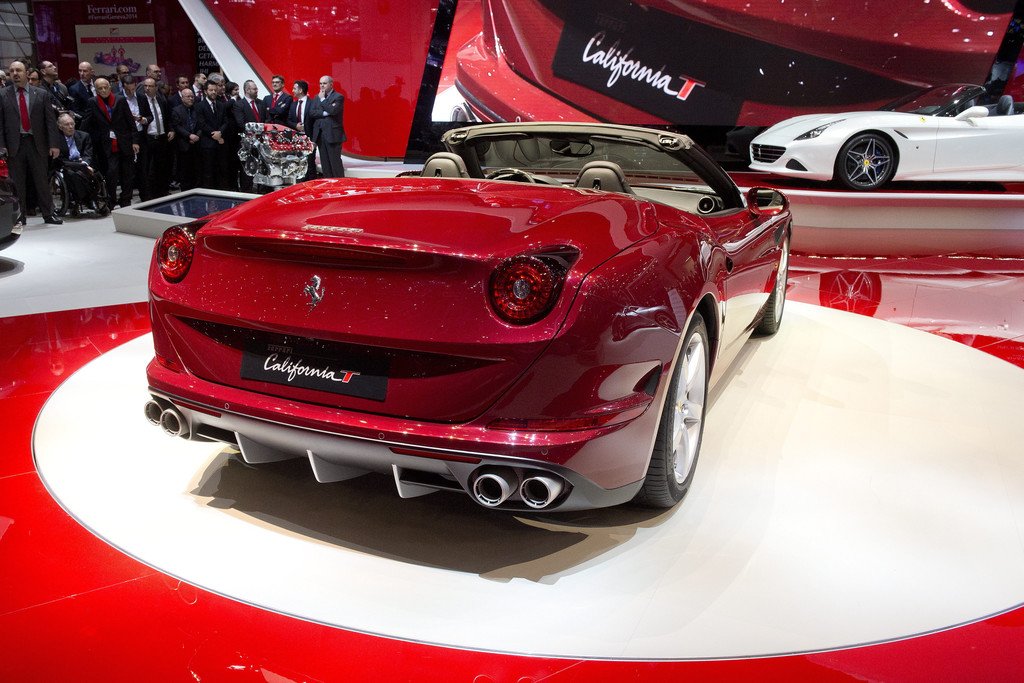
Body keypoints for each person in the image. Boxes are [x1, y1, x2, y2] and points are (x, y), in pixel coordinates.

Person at [0, 60, 62, 224]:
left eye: (18, 70)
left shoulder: (41, 94)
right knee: (17, 183)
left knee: (41, 181)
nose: (15, 73)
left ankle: (49, 214)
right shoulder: (3, 94)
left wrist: (54, 144)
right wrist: (2, 146)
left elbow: (50, 121)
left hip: (37, 143)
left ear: (26, 73)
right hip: (14, 145)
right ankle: (19, 216)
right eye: (12, 71)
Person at [81, 77, 138, 208]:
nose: (103, 90)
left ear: (110, 87)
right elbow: (86, 122)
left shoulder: (120, 100)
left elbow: (130, 122)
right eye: (100, 88)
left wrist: (135, 141)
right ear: (96, 90)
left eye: (105, 87)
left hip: (124, 141)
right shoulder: (93, 102)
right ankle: (111, 200)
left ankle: (126, 200)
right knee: (111, 173)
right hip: (106, 144)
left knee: (127, 174)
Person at [55, 113, 105, 214]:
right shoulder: (56, 139)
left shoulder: (84, 136)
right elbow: (59, 158)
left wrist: (85, 163)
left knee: (91, 173)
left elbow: (88, 153)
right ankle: (87, 199)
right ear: (60, 127)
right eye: (67, 124)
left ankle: (91, 198)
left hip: (82, 164)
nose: (70, 127)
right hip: (67, 165)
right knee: (73, 175)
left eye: (72, 124)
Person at [120, 75, 152, 200]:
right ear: (123, 87)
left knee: (143, 169)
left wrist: (142, 119)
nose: (131, 92)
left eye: (133, 89)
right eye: (128, 90)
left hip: (141, 136)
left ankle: (145, 197)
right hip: (125, 138)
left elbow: (150, 116)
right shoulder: (118, 98)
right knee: (127, 171)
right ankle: (126, 199)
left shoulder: (142, 97)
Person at [196, 81, 229, 189]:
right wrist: (214, 134)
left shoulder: (221, 105)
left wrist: (220, 133)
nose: (214, 92)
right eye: (211, 90)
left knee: (222, 171)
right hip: (207, 144)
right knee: (208, 172)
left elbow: (226, 121)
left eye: (215, 90)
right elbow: (202, 124)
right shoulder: (200, 106)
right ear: (206, 91)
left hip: (220, 143)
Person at [142, 77, 172, 199]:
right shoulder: (142, 101)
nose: (147, 88)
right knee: (149, 168)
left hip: (161, 137)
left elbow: (167, 117)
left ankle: (162, 191)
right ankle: (150, 194)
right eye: (145, 86)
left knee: (162, 166)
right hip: (148, 138)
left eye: (150, 86)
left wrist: (171, 129)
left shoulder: (161, 99)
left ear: (156, 87)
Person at [310, 75, 345, 178]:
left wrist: (323, 100)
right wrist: (324, 113)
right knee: (325, 164)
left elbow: (333, 110)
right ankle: (328, 184)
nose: (322, 86)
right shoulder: (317, 97)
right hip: (320, 134)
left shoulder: (338, 97)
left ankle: (340, 184)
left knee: (335, 163)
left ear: (331, 84)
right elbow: (312, 112)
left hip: (332, 134)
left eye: (324, 83)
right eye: (320, 83)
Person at [234, 80, 266, 192]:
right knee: (248, 170)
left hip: (263, 143)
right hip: (247, 144)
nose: (257, 91)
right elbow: (241, 123)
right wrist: (256, 133)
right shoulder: (239, 104)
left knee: (263, 169)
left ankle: (262, 192)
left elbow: (266, 120)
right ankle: (246, 193)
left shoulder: (261, 103)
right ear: (247, 90)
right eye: (254, 89)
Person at [170, 87, 200, 190]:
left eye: (192, 96)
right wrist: (189, 136)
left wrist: (197, 136)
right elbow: (177, 126)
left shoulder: (197, 109)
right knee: (185, 172)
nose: (191, 98)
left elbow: (201, 124)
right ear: (182, 98)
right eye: (188, 97)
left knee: (197, 171)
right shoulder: (176, 110)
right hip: (184, 145)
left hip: (197, 144)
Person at [287, 79, 315, 181]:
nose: (292, 91)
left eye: (294, 88)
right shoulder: (293, 104)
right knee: (298, 164)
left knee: (310, 163)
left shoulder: (312, 103)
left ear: (300, 90)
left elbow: (315, 121)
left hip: (309, 138)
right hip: (296, 139)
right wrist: (296, 125)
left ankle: (312, 184)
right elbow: (288, 120)